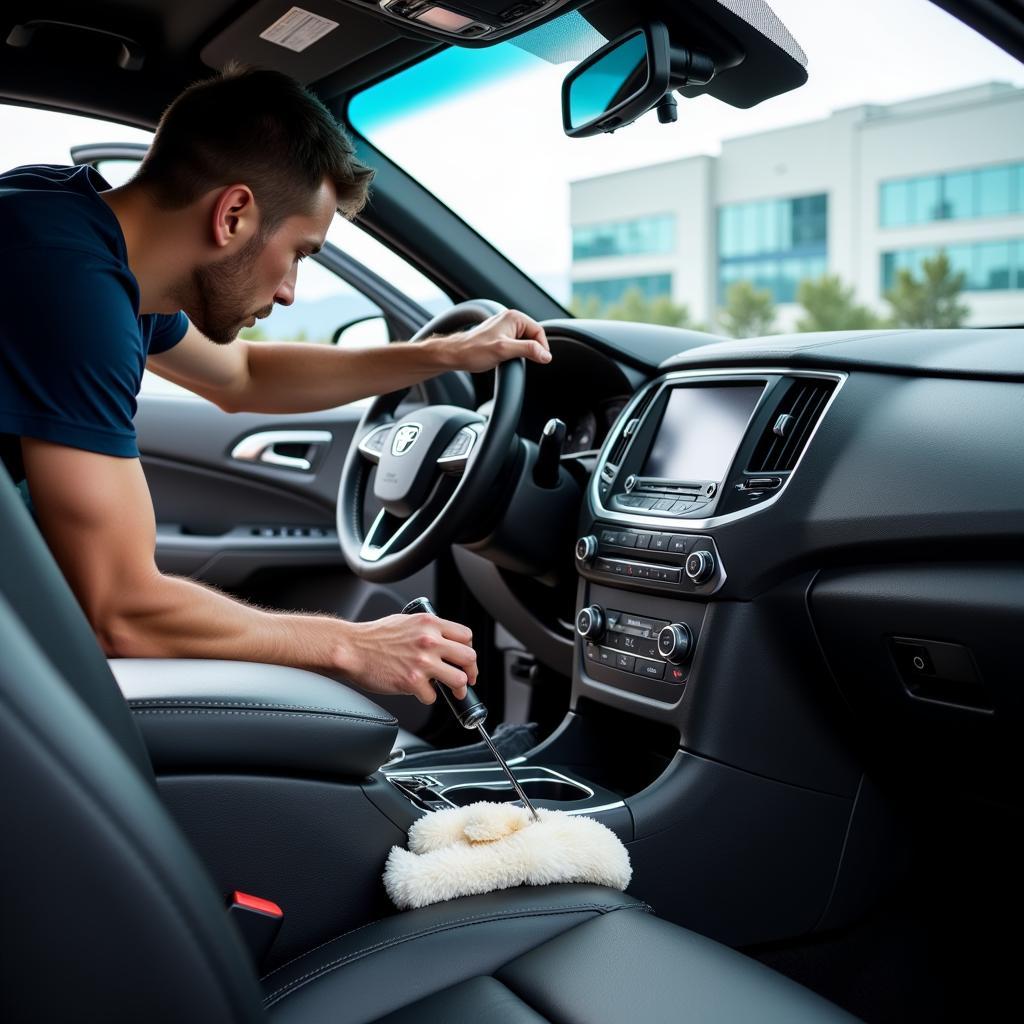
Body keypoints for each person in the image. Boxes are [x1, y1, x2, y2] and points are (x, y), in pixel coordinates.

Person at [0, 64, 552, 706]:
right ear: (233, 213)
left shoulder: (66, 222)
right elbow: (123, 609)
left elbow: (244, 375)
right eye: (299, 253)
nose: (289, 291)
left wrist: (445, 354)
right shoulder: (70, 291)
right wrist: (354, 646)